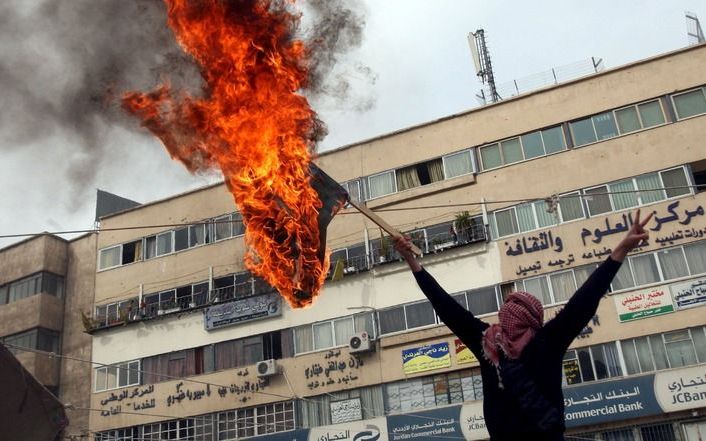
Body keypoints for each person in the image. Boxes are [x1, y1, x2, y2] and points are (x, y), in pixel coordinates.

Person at [393, 209, 652, 441]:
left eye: (512, 311)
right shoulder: (517, 341)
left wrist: (621, 250)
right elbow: (445, 306)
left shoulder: (501, 342)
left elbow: (585, 300)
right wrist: (411, 260)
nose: (506, 316)